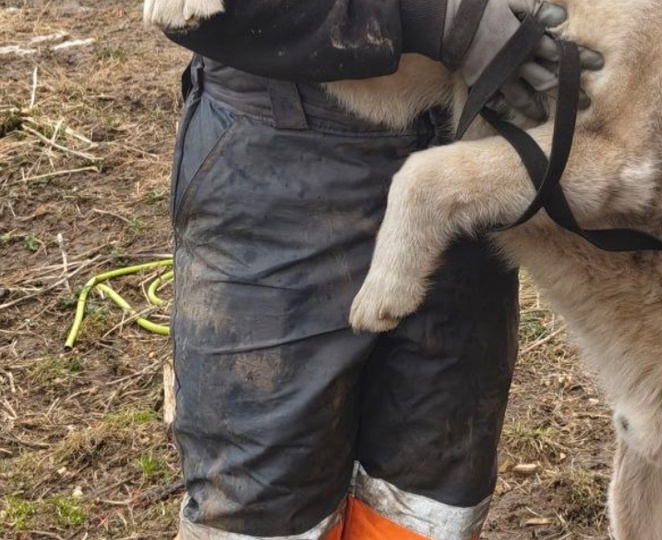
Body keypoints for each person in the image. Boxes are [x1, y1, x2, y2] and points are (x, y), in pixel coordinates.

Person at [158, 1, 601, 539]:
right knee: (264, 496)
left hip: (468, 139)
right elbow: (188, 14)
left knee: (427, 496)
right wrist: (436, 16)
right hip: (279, 158)